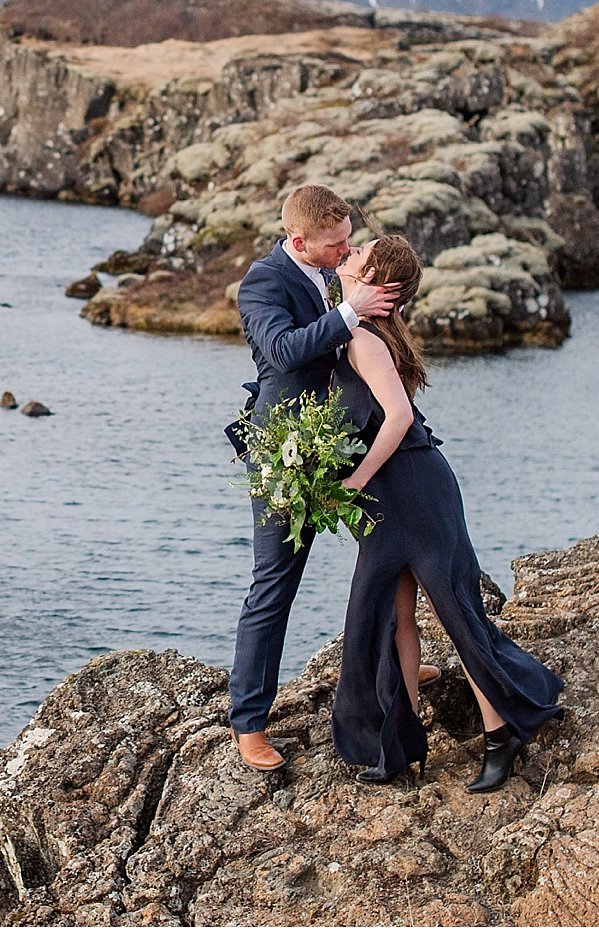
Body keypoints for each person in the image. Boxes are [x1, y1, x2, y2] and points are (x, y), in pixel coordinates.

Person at [329, 233, 565, 791]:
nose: (348, 255)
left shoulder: (365, 337)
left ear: (376, 284)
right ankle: (398, 744)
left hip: (410, 490)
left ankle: (499, 733)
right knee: (391, 615)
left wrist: (354, 479)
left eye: (358, 254)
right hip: (400, 489)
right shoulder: (364, 328)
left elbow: (398, 418)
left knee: (454, 613)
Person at [226, 184, 399, 772]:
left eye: (348, 239)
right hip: (284, 453)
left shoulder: (332, 274)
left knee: (394, 549)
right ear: (299, 241)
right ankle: (249, 723)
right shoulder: (263, 282)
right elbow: (281, 352)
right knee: (275, 585)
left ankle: (396, 662)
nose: (345, 249)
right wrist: (351, 313)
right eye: (335, 244)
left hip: (344, 441)